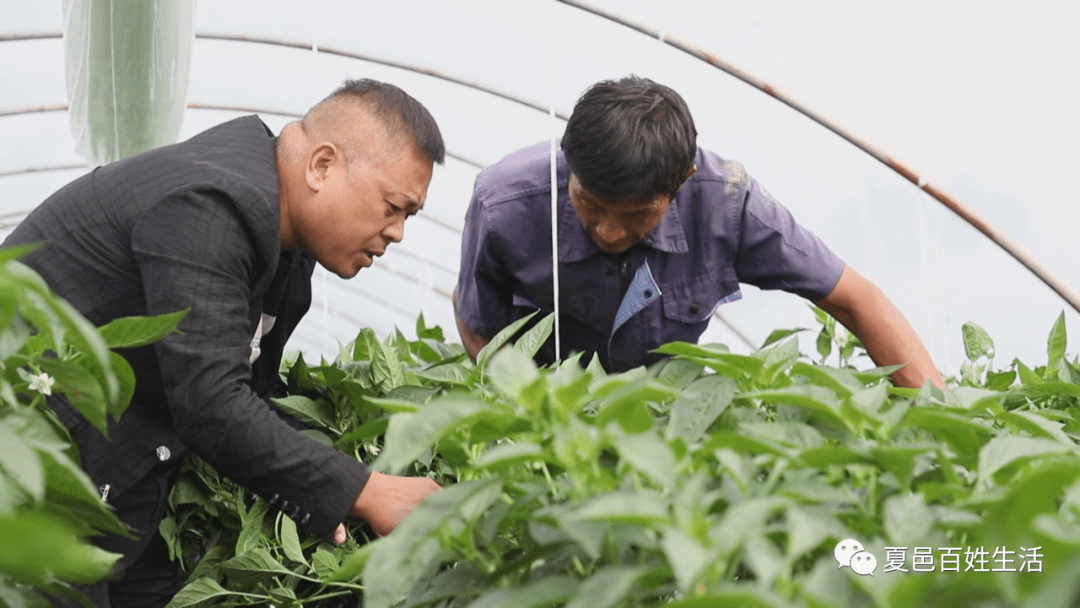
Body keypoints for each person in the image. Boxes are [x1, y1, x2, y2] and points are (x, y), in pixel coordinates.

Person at [4, 78, 444, 606]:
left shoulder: (286, 249)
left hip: (120, 468)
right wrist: (366, 490)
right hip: (31, 464)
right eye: (393, 207)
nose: (397, 233)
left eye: (409, 216)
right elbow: (211, 404)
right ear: (321, 166)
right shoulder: (211, 206)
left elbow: (248, 398)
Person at [455, 75, 944, 389]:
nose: (607, 230)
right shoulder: (506, 203)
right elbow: (479, 324)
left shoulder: (725, 202)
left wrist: (942, 423)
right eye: (590, 203)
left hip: (661, 405)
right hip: (548, 394)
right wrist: (526, 412)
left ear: (681, 183)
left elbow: (856, 299)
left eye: (636, 214)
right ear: (569, 167)